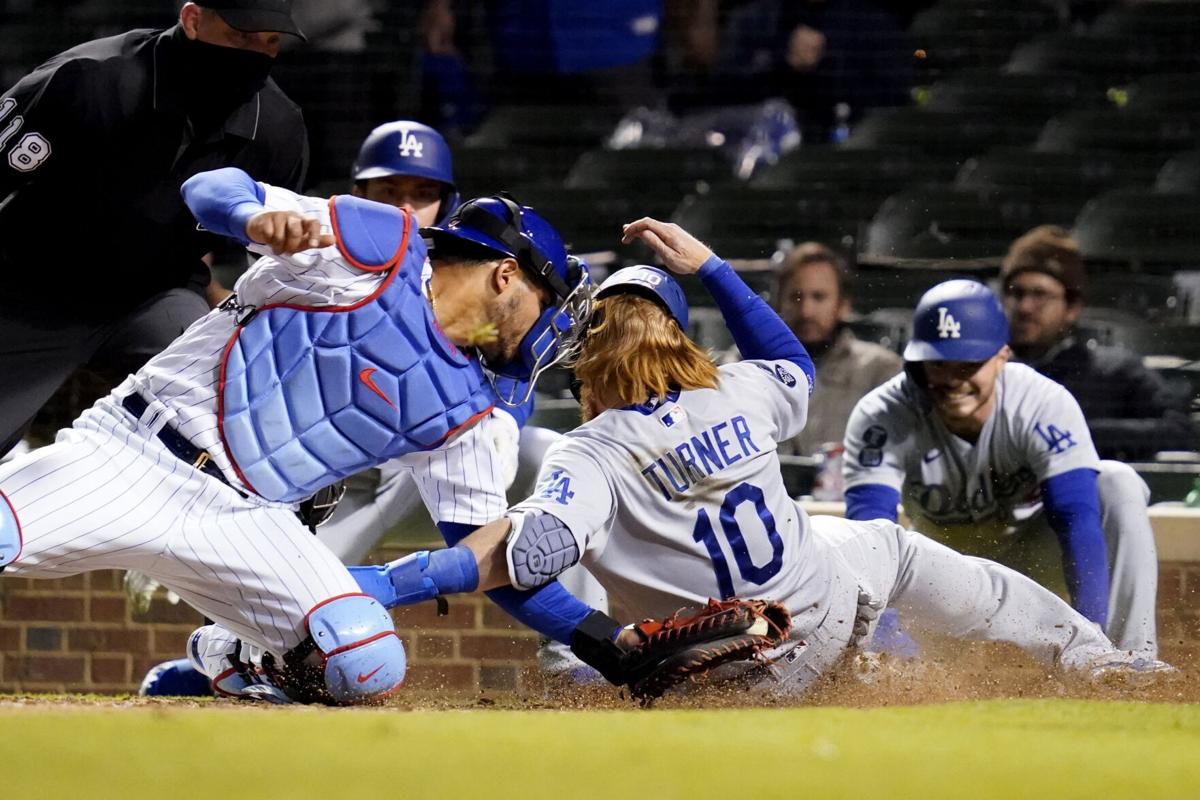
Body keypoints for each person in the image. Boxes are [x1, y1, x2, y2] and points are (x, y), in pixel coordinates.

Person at [351, 220, 1169, 698]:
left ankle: (894, 666)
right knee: (903, 555)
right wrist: (710, 268)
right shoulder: (739, 391)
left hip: (728, 674)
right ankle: (1100, 662)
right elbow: (794, 363)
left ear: (585, 352)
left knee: (611, 627)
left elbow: (526, 554)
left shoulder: (589, 454)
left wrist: (388, 584)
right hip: (824, 604)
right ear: (680, 330)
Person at [0, 166, 592, 705]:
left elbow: (492, 554)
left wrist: (611, 642)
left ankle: (236, 654)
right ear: (507, 275)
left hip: (246, 518)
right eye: (548, 301)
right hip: (135, 452)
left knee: (364, 663)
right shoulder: (376, 246)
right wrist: (250, 218)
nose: (552, 324)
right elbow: (209, 186)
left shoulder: (471, 410)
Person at [0, 0, 310, 459]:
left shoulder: (277, 129)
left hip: (154, 296)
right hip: (31, 291)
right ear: (192, 19)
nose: (256, 53)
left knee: (234, 414)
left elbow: (271, 268)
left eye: (269, 42)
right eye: (241, 35)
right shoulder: (89, 78)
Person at [842, 279, 1160, 659]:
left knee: (1117, 482)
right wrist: (885, 632)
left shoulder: (1041, 402)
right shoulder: (882, 414)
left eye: (970, 363)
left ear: (1002, 356)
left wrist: (1091, 640)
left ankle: (1129, 660)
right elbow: (871, 535)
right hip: (943, 575)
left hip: (1031, 559)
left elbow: (1077, 520)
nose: (954, 379)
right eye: (939, 364)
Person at [1001, 225, 1197, 461]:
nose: (1024, 307)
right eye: (1016, 293)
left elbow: (1180, 431)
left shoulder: (1114, 371)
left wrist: (1074, 431)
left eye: (1040, 295)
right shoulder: (986, 374)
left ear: (1073, 308)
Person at [771, 242, 901, 456]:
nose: (806, 311)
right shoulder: (743, 367)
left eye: (819, 297)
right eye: (796, 297)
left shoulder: (880, 371)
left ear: (843, 305)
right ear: (777, 304)